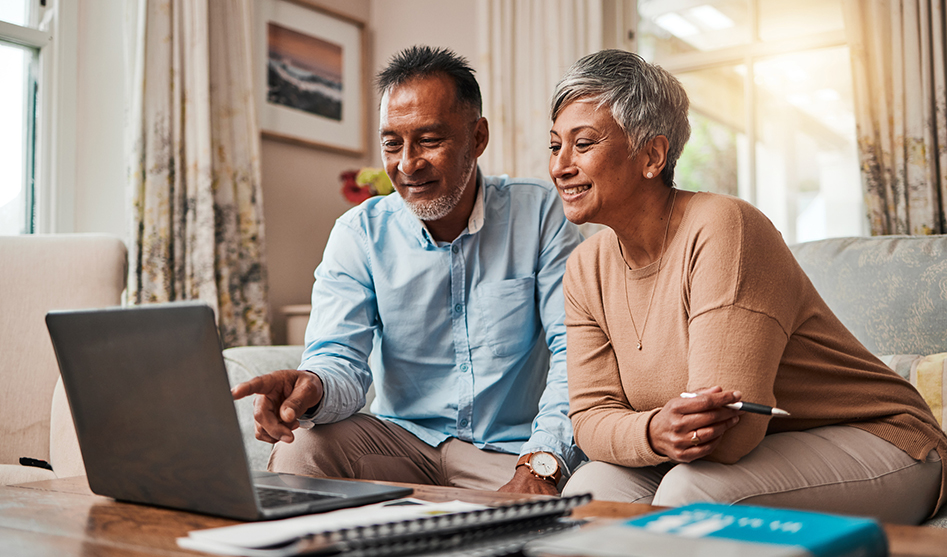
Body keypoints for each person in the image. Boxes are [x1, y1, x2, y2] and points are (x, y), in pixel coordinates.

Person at [550, 49, 947, 523]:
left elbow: (730, 436)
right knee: (589, 492)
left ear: (652, 155)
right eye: (555, 146)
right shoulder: (585, 267)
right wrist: (655, 430)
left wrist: (647, 432)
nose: (561, 166)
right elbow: (590, 419)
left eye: (584, 143)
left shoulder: (726, 228)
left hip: (881, 439)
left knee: (690, 493)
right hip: (751, 453)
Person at [232, 45, 583, 495]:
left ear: (477, 138)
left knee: (584, 495)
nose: (407, 164)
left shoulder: (538, 214)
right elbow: (340, 358)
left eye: (430, 140)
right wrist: (311, 384)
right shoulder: (359, 233)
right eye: (392, 143)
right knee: (303, 446)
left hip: (510, 453)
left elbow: (575, 352)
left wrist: (541, 464)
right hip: (401, 445)